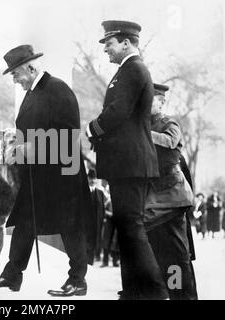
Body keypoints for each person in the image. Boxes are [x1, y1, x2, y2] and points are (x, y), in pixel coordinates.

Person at [0, 45, 94, 297]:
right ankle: (12, 276)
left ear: (31, 68)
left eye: (16, 74)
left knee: (70, 226)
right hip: (38, 175)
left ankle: (77, 280)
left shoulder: (58, 90)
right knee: (25, 223)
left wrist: (24, 150)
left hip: (63, 174)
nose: (14, 80)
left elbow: (66, 136)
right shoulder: (32, 93)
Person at [86, 21, 168, 299]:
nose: (106, 50)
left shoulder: (133, 69)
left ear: (125, 42)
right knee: (127, 229)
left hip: (131, 163)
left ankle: (154, 293)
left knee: (131, 228)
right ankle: (135, 292)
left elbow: (117, 111)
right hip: (128, 162)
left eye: (109, 44)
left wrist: (91, 129)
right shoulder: (128, 70)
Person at [144, 83, 198, 300]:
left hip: (173, 199)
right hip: (155, 199)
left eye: (150, 100)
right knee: (162, 255)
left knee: (177, 255)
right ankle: (172, 293)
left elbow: (170, 141)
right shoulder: (144, 124)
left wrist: (143, 134)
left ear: (161, 102)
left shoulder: (169, 122)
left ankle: (185, 297)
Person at [86, 169, 106, 264]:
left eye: (94, 178)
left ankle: (90, 263)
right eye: (91, 178)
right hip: (85, 224)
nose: (93, 180)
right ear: (87, 178)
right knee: (85, 245)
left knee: (93, 245)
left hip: (96, 224)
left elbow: (102, 209)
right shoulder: (83, 192)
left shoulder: (100, 193)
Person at [101, 187, 120, 268]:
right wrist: (110, 214)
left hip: (117, 221)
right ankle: (105, 261)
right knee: (106, 241)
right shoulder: (108, 199)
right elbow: (103, 210)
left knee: (115, 242)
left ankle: (115, 261)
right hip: (109, 221)